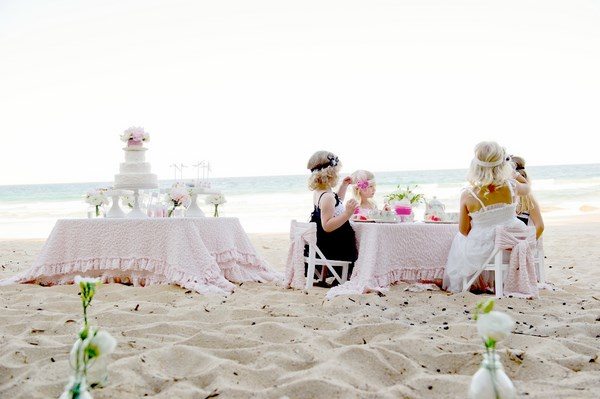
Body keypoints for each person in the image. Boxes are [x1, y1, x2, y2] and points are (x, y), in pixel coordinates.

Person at [442, 141, 531, 293]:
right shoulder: (511, 186)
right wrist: (515, 174)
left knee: (460, 239)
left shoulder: (468, 195)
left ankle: (472, 282)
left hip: (482, 254)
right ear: (503, 165)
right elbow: (527, 187)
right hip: (510, 246)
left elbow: (464, 230)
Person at [305, 151, 358, 286]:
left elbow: (336, 204)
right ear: (331, 174)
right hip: (333, 247)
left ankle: (338, 278)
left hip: (323, 243)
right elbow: (327, 225)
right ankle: (344, 278)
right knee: (360, 243)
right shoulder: (327, 196)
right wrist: (347, 213)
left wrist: (343, 186)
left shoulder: (322, 192)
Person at [511, 155, 544, 239]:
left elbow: (540, 226)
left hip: (524, 245)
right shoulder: (507, 197)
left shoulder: (528, 198)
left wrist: (526, 244)